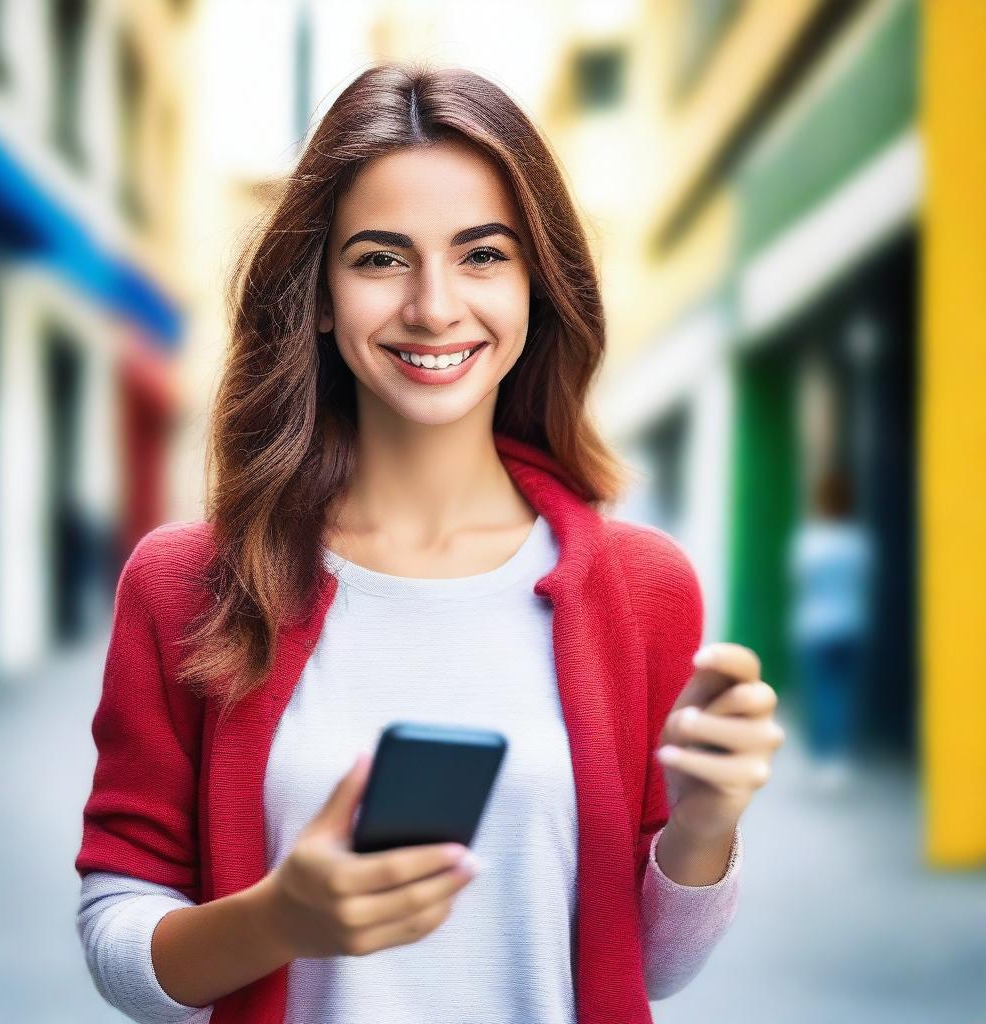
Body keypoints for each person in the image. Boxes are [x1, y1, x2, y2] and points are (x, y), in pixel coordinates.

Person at [74, 61, 785, 1024]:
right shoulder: (186, 583)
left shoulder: (642, 587)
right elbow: (121, 927)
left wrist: (705, 824)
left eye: (484, 254)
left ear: (538, 282)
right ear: (319, 293)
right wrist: (278, 920)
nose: (434, 305)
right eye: (380, 258)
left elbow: (648, 969)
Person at [788, 466, 874, 790]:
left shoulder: (811, 540)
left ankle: (822, 756)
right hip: (851, 624)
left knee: (820, 692)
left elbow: (801, 580)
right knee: (843, 691)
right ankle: (839, 759)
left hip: (815, 626)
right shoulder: (857, 540)